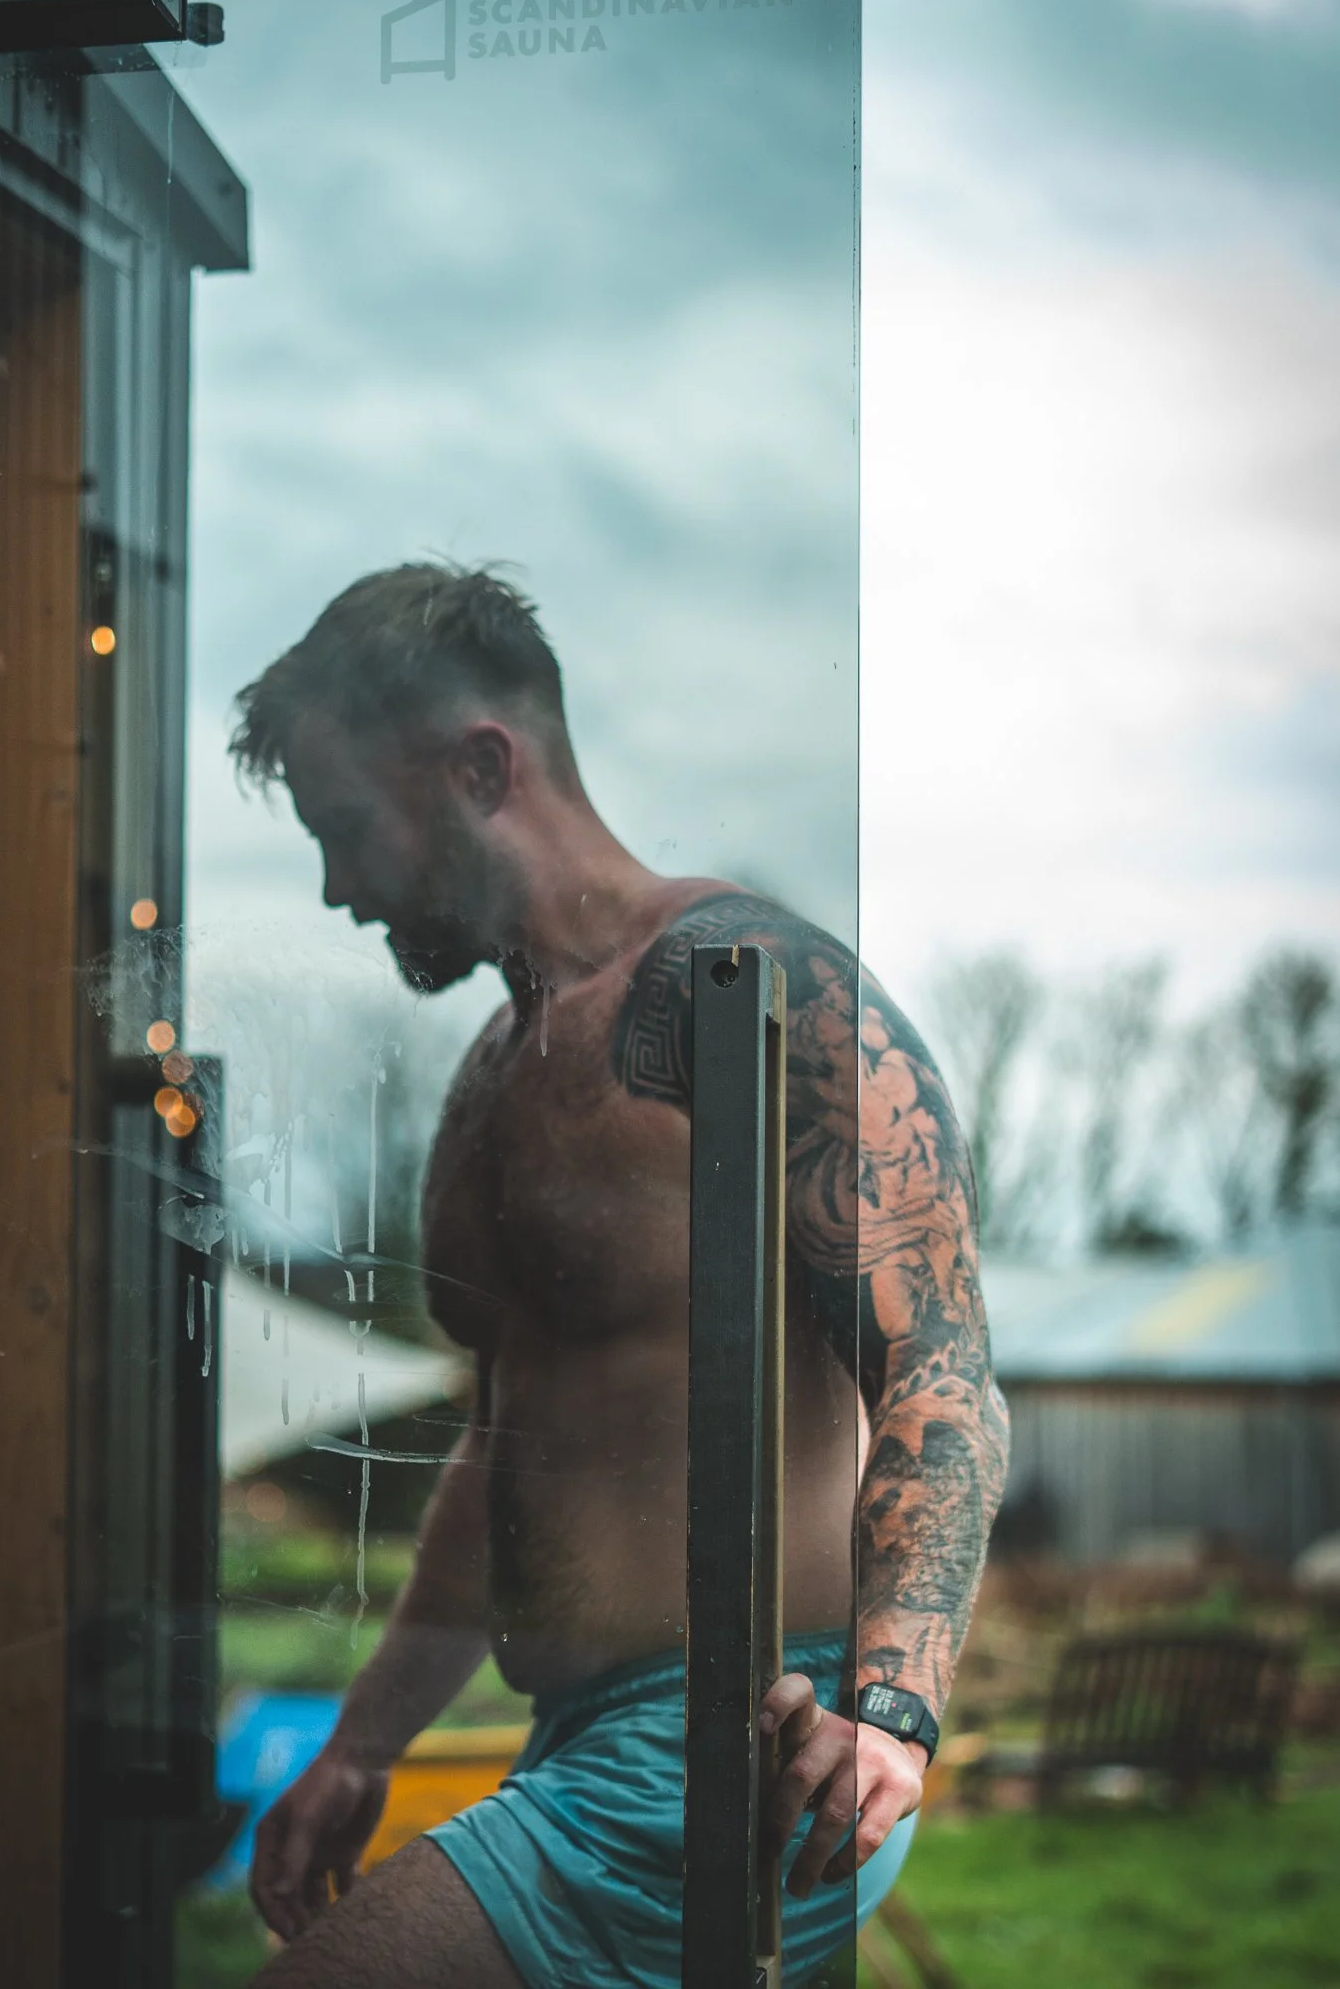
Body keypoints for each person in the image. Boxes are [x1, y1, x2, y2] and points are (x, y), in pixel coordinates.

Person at [229, 564, 1010, 1988]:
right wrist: (360, 1745)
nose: (339, 888)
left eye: (347, 830)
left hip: (742, 1742)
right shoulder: (491, 1076)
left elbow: (939, 1370)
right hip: (578, 1738)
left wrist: (888, 1715)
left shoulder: (747, 986)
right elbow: (502, 1437)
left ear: (478, 767)